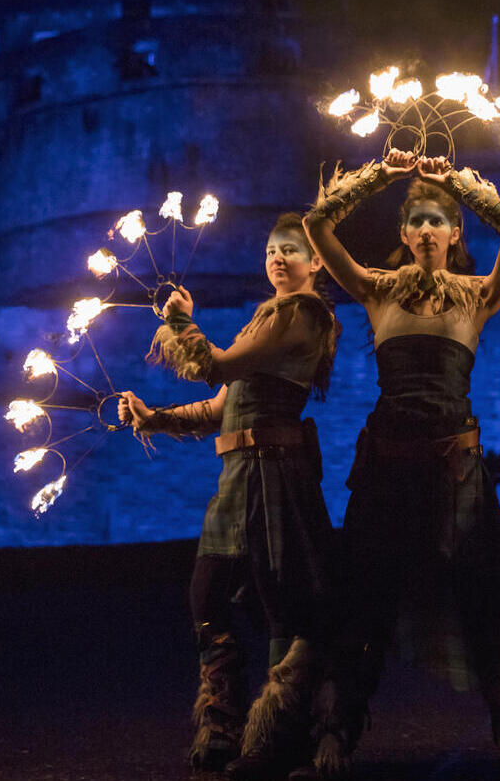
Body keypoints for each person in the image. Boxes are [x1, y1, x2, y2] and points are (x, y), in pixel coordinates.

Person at [298, 149, 500, 781]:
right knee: (364, 604)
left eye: (441, 220)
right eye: (419, 222)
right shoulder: (376, 289)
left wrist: (453, 180)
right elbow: (317, 227)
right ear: (404, 235)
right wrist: (383, 174)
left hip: (456, 468)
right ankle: (334, 739)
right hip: (387, 465)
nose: (430, 229)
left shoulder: (478, 293)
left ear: (456, 234)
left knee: (486, 602)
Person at [117, 212, 339, 779]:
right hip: (237, 479)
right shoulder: (264, 320)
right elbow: (221, 405)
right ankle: (226, 723)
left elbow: (214, 365)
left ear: (317, 262)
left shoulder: (303, 314)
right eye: (270, 249)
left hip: (276, 476)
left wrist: (181, 322)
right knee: (206, 597)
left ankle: (278, 737)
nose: (278, 257)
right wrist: (155, 417)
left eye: (291, 249)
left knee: (283, 605)